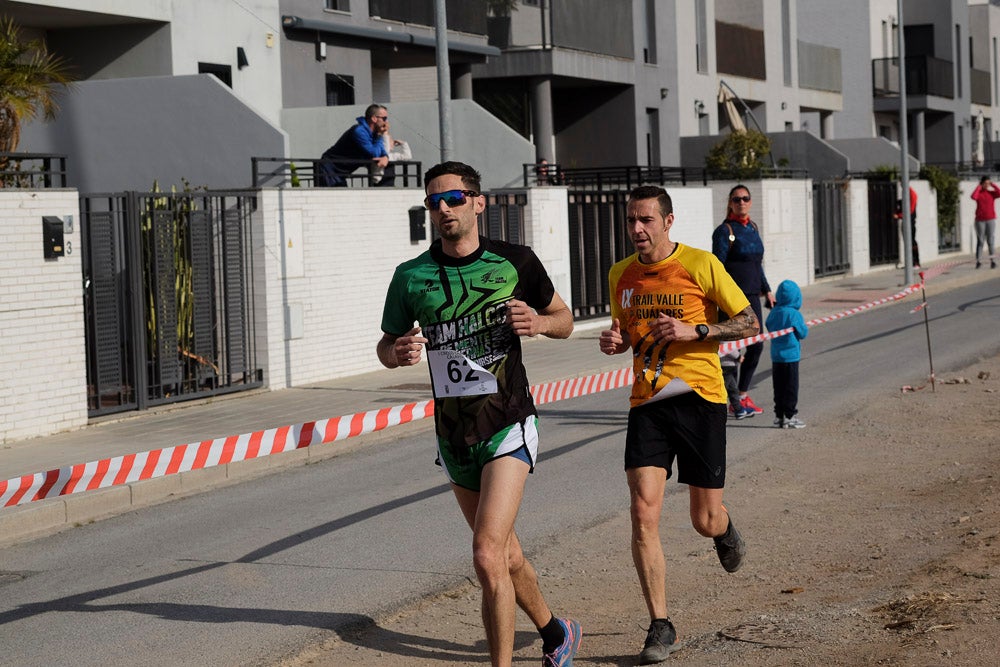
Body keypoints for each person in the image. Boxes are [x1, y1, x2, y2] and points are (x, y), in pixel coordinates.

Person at [376, 161, 581, 667]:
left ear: (478, 201)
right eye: (433, 202)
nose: (443, 209)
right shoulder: (411, 277)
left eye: (453, 198)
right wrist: (396, 352)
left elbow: (566, 320)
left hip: (508, 421)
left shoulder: (516, 262)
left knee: (485, 554)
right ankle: (557, 633)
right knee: (505, 554)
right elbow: (385, 345)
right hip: (454, 435)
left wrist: (538, 321)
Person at [599, 185, 757, 665]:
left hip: (701, 398)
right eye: (630, 220)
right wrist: (615, 340)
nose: (637, 230)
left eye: (645, 219)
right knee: (643, 512)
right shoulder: (620, 275)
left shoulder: (701, 264)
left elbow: (749, 322)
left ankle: (725, 529)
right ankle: (660, 625)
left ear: (668, 221)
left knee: (702, 519)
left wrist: (698, 331)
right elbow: (626, 333)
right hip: (647, 401)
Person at [711, 185, 773, 416]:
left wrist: (767, 290)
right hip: (731, 299)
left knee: (756, 345)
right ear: (730, 202)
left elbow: (758, 264)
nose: (741, 202)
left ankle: (743, 395)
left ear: (750, 202)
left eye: (745, 198)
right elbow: (717, 267)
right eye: (736, 199)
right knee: (731, 351)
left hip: (753, 296)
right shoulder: (724, 231)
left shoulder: (753, 228)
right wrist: (723, 298)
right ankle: (732, 401)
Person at [765, 279, 809, 429]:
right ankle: (790, 416)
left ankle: (779, 416)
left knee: (778, 387)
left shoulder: (775, 312)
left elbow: (768, 325)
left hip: (776, 356)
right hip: (791, 356)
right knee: (791, 387)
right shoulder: (794, 314)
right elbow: (803, 333)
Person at [316, 103, 393, 187]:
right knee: (333, 198)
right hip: (330, 168)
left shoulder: (374, 134)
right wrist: (380, 136)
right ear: (374, 118)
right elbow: (374, 153)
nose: (386, 122)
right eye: (384, 118)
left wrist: (386, 157)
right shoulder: (359, 131)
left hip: (340, 172)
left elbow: (381, 150)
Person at [970, 175, 998, 269]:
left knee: (990, 240)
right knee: (981, 241)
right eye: (985, 183)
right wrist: (979, 187)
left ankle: (992, 261)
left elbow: (999, 192)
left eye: (988, 183)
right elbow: (973, 197)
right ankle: (978, 261)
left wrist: (993, 184)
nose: (987, 185)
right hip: (980, 221)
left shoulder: (991, 193)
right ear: (982, 183)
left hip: (990, 219)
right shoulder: (979, 193)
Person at [371, 120, 411, 185]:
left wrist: (403, 144)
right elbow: (385, 152)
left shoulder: (393, 155)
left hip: (390, 182)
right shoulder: (377, 154)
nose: (390, 142)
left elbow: (407, 156)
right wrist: (385, 133)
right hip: (379, 183)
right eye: (388, 140)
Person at [720, 347, 753, 420]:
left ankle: (738, 409)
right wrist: (738, 356)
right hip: (725, 364)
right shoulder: (725, 336)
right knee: (723, 391)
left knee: (733, 389)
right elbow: (726, 346)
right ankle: (718, 412)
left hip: (729, 364)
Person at [893, 185, 919, 268]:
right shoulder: (906, 192)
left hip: (910, 222)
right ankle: (910, 263)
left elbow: (910, 210)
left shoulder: (911, 193)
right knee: (907, 242)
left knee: (911, 241)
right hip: (906, 221)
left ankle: (916, 263)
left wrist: (899, 215)